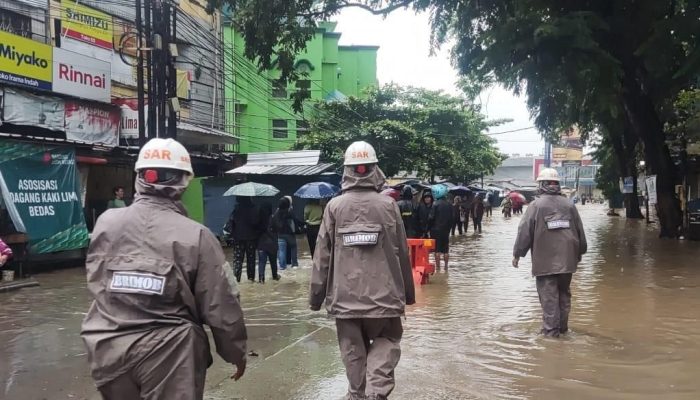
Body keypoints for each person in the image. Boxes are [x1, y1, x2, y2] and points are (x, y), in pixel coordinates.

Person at [81, 138, 247, 399]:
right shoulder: (198, 236)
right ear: (184, 181)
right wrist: (235, 353)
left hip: (107, 348)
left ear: (139, 177)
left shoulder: (106, 223)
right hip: (171, 353)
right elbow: (221, 305)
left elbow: (97, 281)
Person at [310, 141, 415, 400]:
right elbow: (402, 253)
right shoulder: (389, 206)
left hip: (344, 300)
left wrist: (315, 298)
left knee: (353, 354)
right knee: (386, 343)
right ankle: (376, 393)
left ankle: (357, 394)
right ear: (374, 169)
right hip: (384, 299)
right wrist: (408, 296)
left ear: (347, 172)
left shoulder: (334, 207)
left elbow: (321, 256)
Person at [512, 168, 587, 337]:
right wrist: (580, 252)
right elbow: (580, 231)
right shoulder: (569, 205)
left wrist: (517, 253)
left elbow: (525, 231)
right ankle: (562, 329)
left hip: (545, 262)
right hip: (568, 261)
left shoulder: (536, 205)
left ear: (542, 185)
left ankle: (551, 334)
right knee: (564, 296)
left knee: (549, 298)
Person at [228, 196, 260, 283]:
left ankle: (236, 279)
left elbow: (231, 222)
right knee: (251, 259)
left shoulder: (236, 209)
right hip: (251, 238)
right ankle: (251, 279)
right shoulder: (254, 209)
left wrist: (232, 234)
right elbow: (256, 222)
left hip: (238, 238)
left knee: (238, 259)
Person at [430, 184, 454, 270]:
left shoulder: (435, 204)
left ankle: (438, 268)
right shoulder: (449, 204)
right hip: (446, 230)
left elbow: (431, 218)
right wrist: (449, 229)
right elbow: (452, 218)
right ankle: (446, 267)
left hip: (436, 230)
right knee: (446, 250)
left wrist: (428, 229)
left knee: (437, 250)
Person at [273, 197, 300, 270]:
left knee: (281, 250)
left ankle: (282, 266)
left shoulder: (277, 212)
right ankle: (294, 264)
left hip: (280, 234)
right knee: (293, 247)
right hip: (290, 233)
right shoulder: (289, 211)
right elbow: (295, 220)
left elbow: (273, 222)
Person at [257, 203, 280, 283]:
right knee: (273, 262)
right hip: (272, 244)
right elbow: (278, 228)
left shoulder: (259, 220)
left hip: (261, 245)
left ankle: (261, 279)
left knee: (261, 262)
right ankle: (275, 276)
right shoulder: (273, 218)